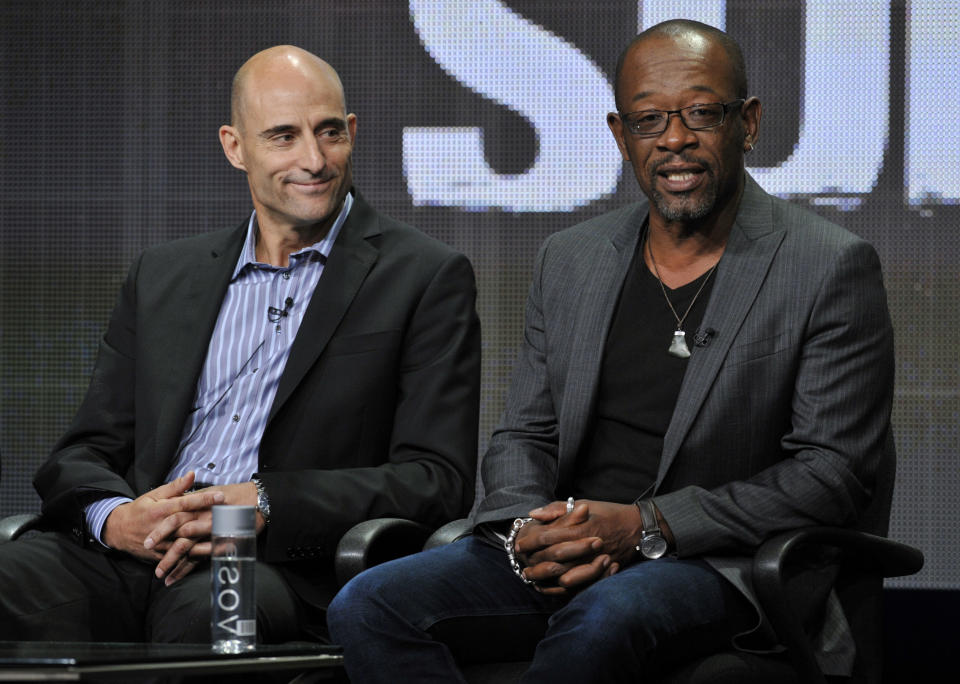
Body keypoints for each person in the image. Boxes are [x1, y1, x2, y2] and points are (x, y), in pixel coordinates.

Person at [327, 19, 894, 682]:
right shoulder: (571, 259)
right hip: (574, 548)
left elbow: (829, 475)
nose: (675, 140)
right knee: (368, 604)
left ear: (749, 123)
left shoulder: (827, 266)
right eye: (649, 120)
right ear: (621, 136)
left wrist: (647, 525)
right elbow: (524, 436)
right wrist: (527, 534)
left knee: (604, 617)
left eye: (701, 113)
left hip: (719, 565)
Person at [0, 45, 480, 644]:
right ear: (235, 147)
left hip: (254, 558)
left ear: (352, 132)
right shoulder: (163, 275)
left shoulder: (423, 275)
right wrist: (115, 518)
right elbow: (84, 451)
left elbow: (435, 479)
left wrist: (262, 503)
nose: (314, 159)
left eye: (329, 132)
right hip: (131, 543)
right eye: (283, 137)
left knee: (218, 629)